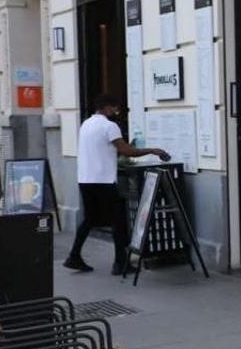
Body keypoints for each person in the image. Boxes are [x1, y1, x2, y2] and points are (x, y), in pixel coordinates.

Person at [65, 93, 170, 275]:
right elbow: (126, 151)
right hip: (104, 181)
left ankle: (74, 256)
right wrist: (152, 150)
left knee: (89, 219)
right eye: (115, 108)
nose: (116, 111)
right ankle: (120, 263)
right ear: (107, 107)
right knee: (119, 221)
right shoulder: (109, 126)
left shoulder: (86, 124)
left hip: (85, 179)